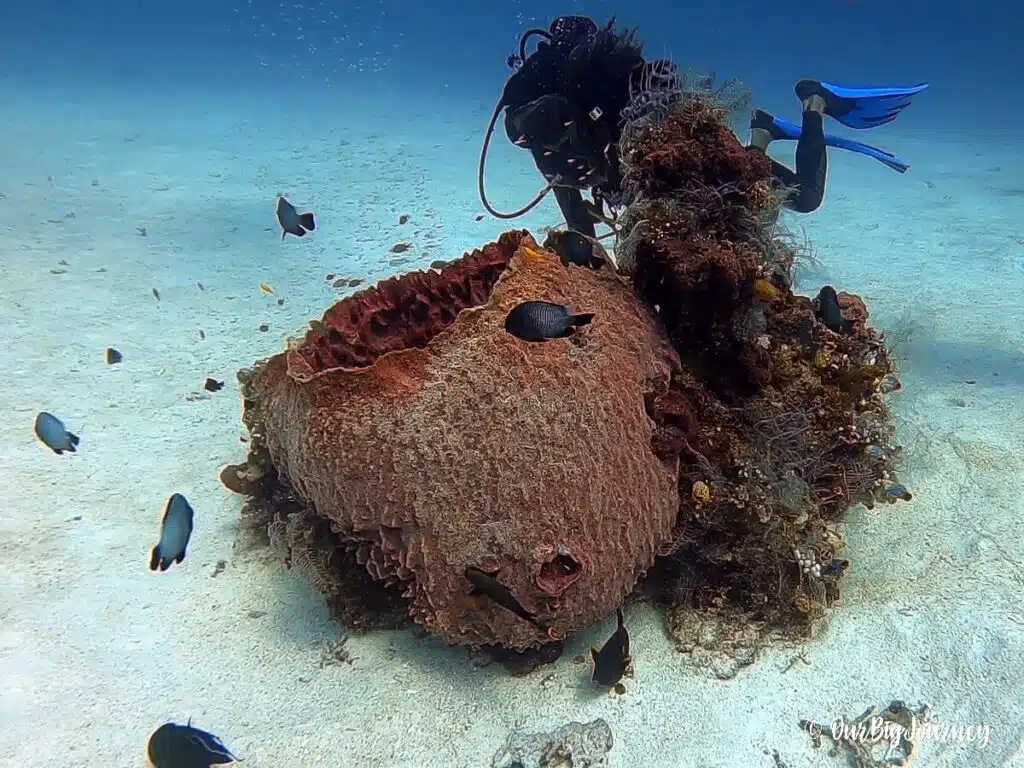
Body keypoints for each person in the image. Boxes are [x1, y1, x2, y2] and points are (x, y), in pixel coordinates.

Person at [477, 15, 928, 263]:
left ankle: (815, 103)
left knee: (802, 198)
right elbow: (582, 227)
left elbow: (581, 227)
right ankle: (763, 131)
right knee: (748, 218)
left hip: (695, 152)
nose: (549, 141)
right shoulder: (563, 134)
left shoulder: (558, 136)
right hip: (678, 158)